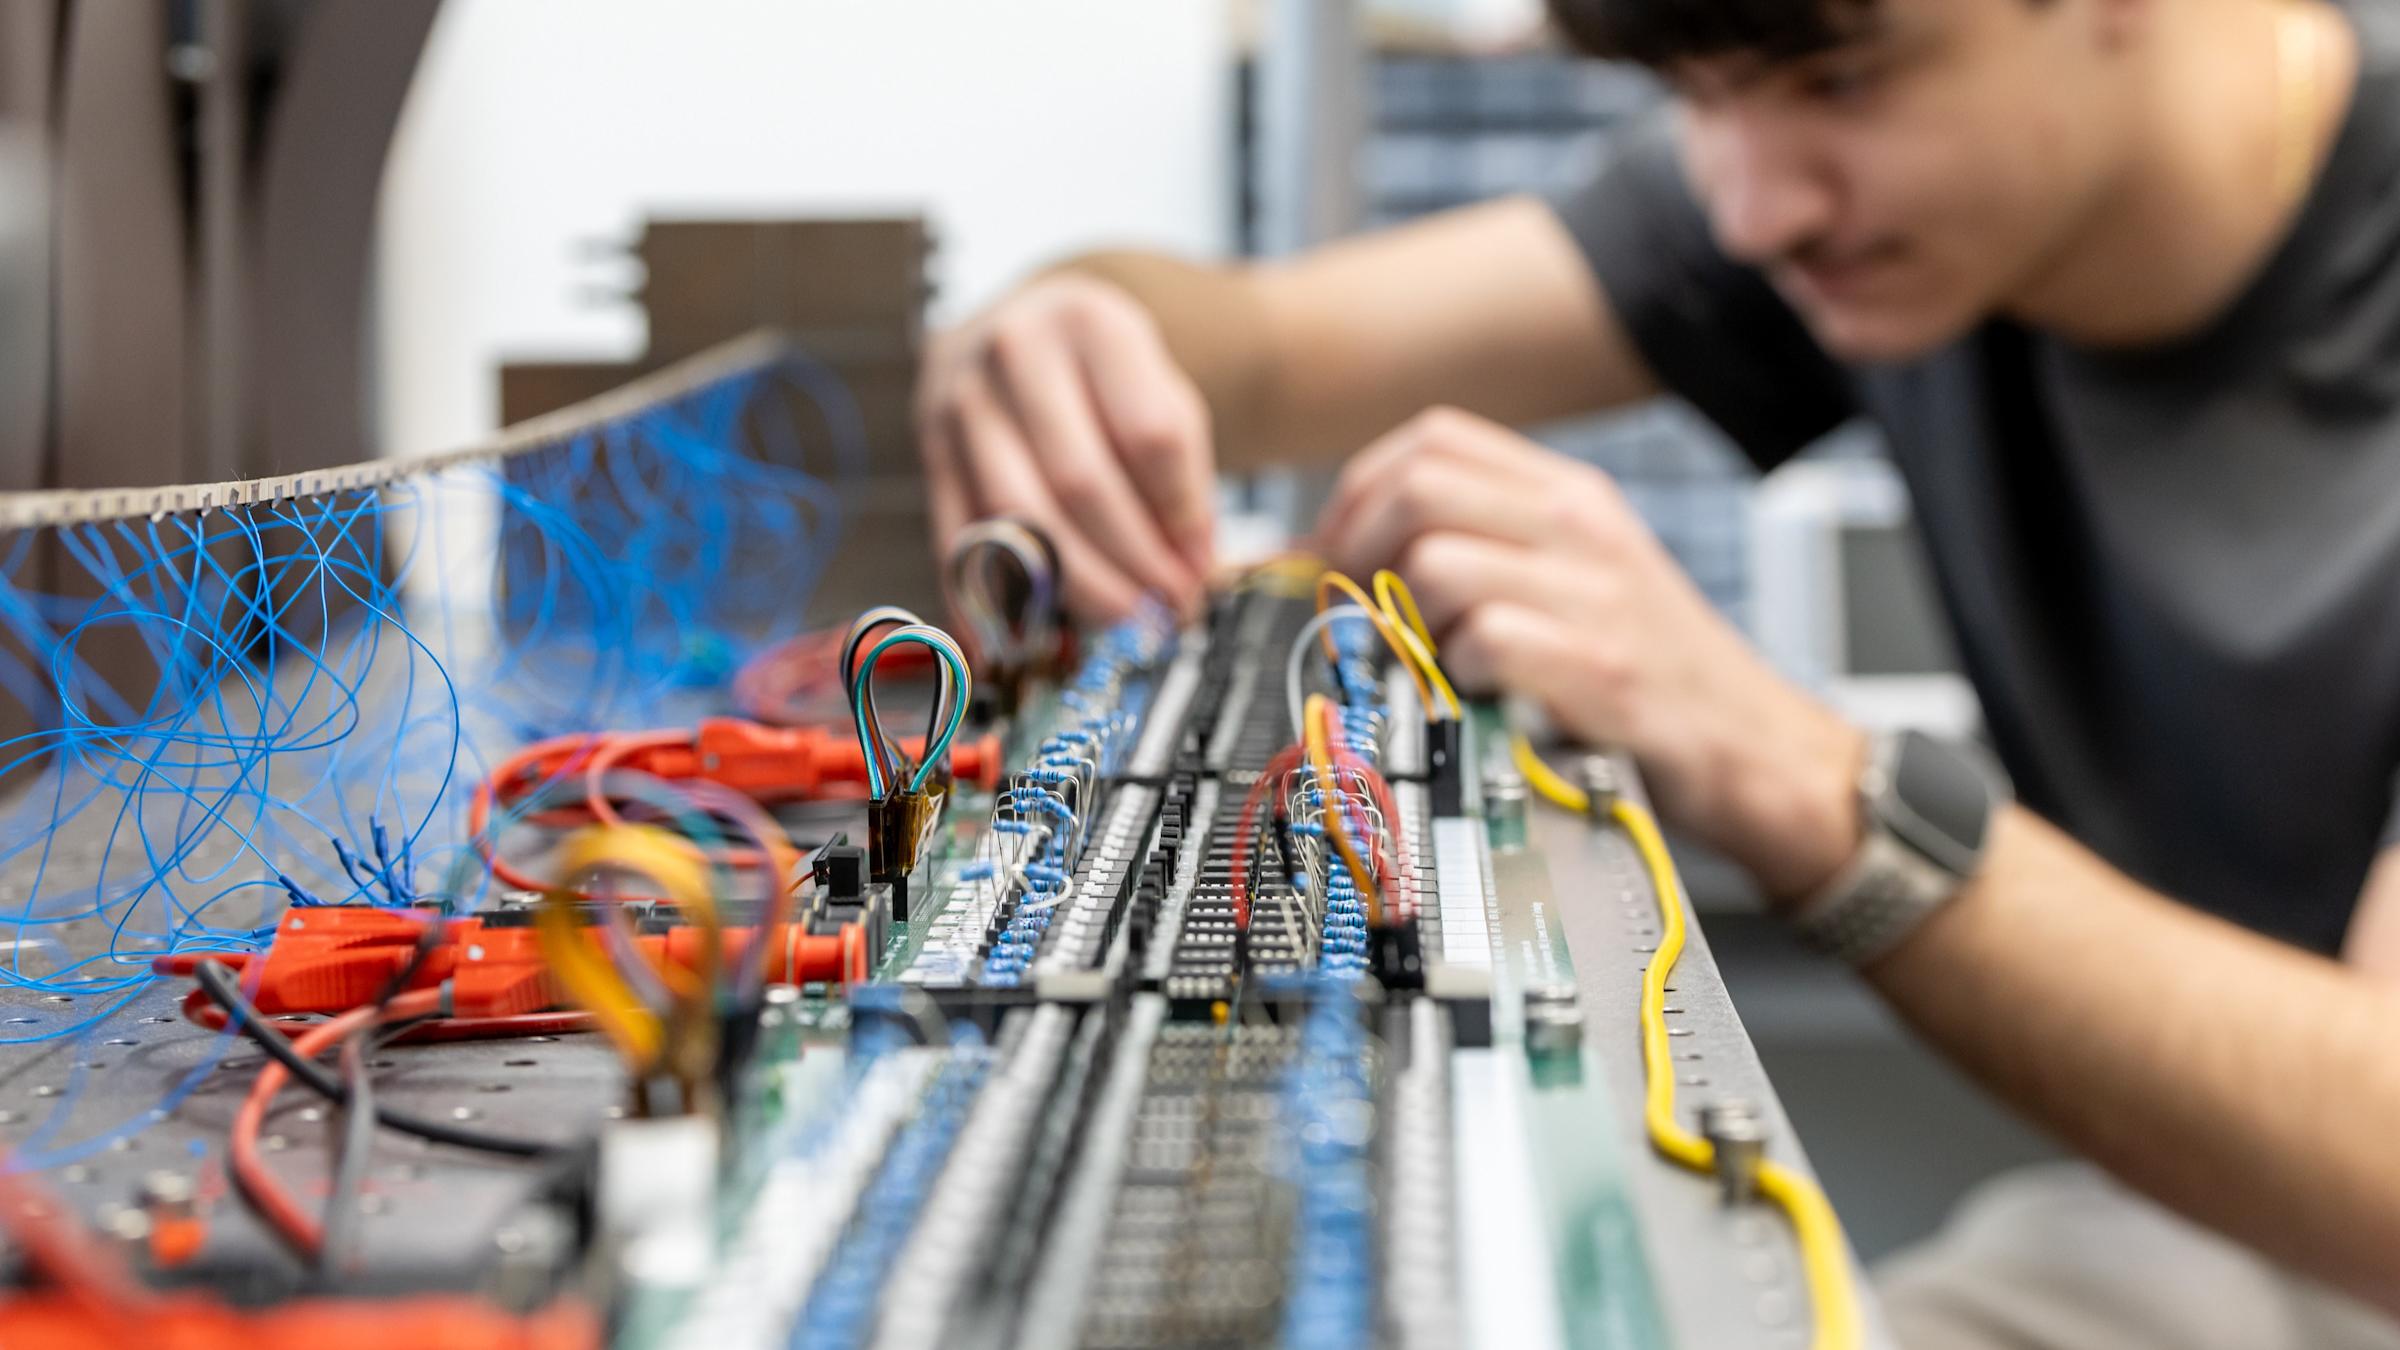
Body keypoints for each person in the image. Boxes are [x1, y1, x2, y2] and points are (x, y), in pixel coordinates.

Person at [916, 0, 2400, 1343]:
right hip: (2210, 1221)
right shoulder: (1879, 189)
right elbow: (1263, 347)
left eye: (1834, 76)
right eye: (1698, 93)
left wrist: (1789, 770)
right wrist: (1062, 330)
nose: (1752, 207)